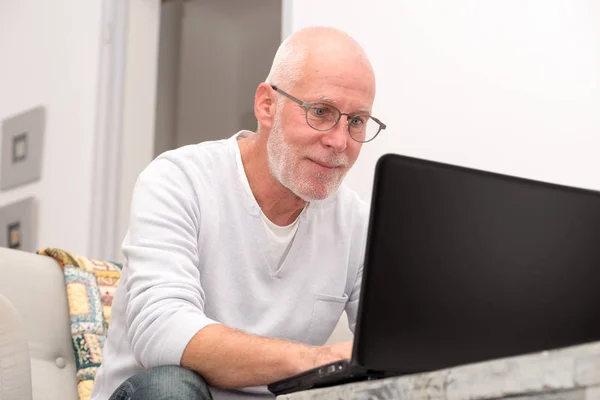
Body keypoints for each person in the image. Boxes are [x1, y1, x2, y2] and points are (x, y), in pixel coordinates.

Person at [90, 25, 385, 400]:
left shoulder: (357, 223)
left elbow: (390, 349)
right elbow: (162, 332)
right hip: (158, 393)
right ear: (267, 105)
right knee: (171, 386)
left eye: (356, 121)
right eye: (321, 112)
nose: (339, 141)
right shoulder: (179, 180)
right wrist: (319, 359)